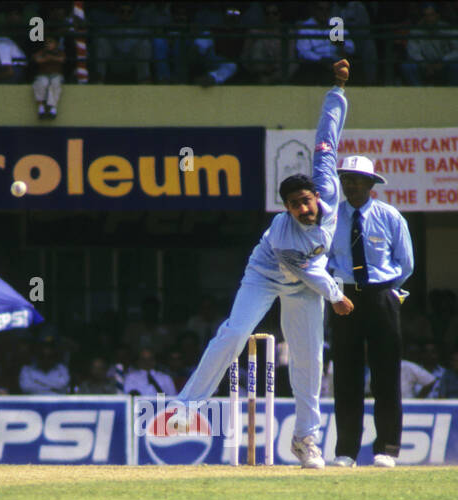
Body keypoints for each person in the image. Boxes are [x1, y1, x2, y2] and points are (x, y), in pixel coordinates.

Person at [169, 59, 353, 469]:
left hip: (307, 285)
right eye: (293, 206)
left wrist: (337, 91)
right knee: (234, 334)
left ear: (314, 196)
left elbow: (327, 138)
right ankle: (184, 409)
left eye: (306, 202)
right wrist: (338, 297)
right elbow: (311, 272)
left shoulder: (327, 185)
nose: (303, 210)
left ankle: (306, 440)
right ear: (285, 209)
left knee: (310, 361)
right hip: (268, 275)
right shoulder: (282, 234)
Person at [325, 155, 414, 468]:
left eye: (358, 179)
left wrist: (388, 293)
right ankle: (346, 452)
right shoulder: (332, 218)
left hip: (381, 296)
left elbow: (405, 263)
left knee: (386, 377)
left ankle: (387, 450)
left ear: (371, 184)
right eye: (346, 179)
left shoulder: (389, 216)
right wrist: (335, 290)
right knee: (346, 377)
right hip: (344, 297)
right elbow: (325, 260)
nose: (351, 184)